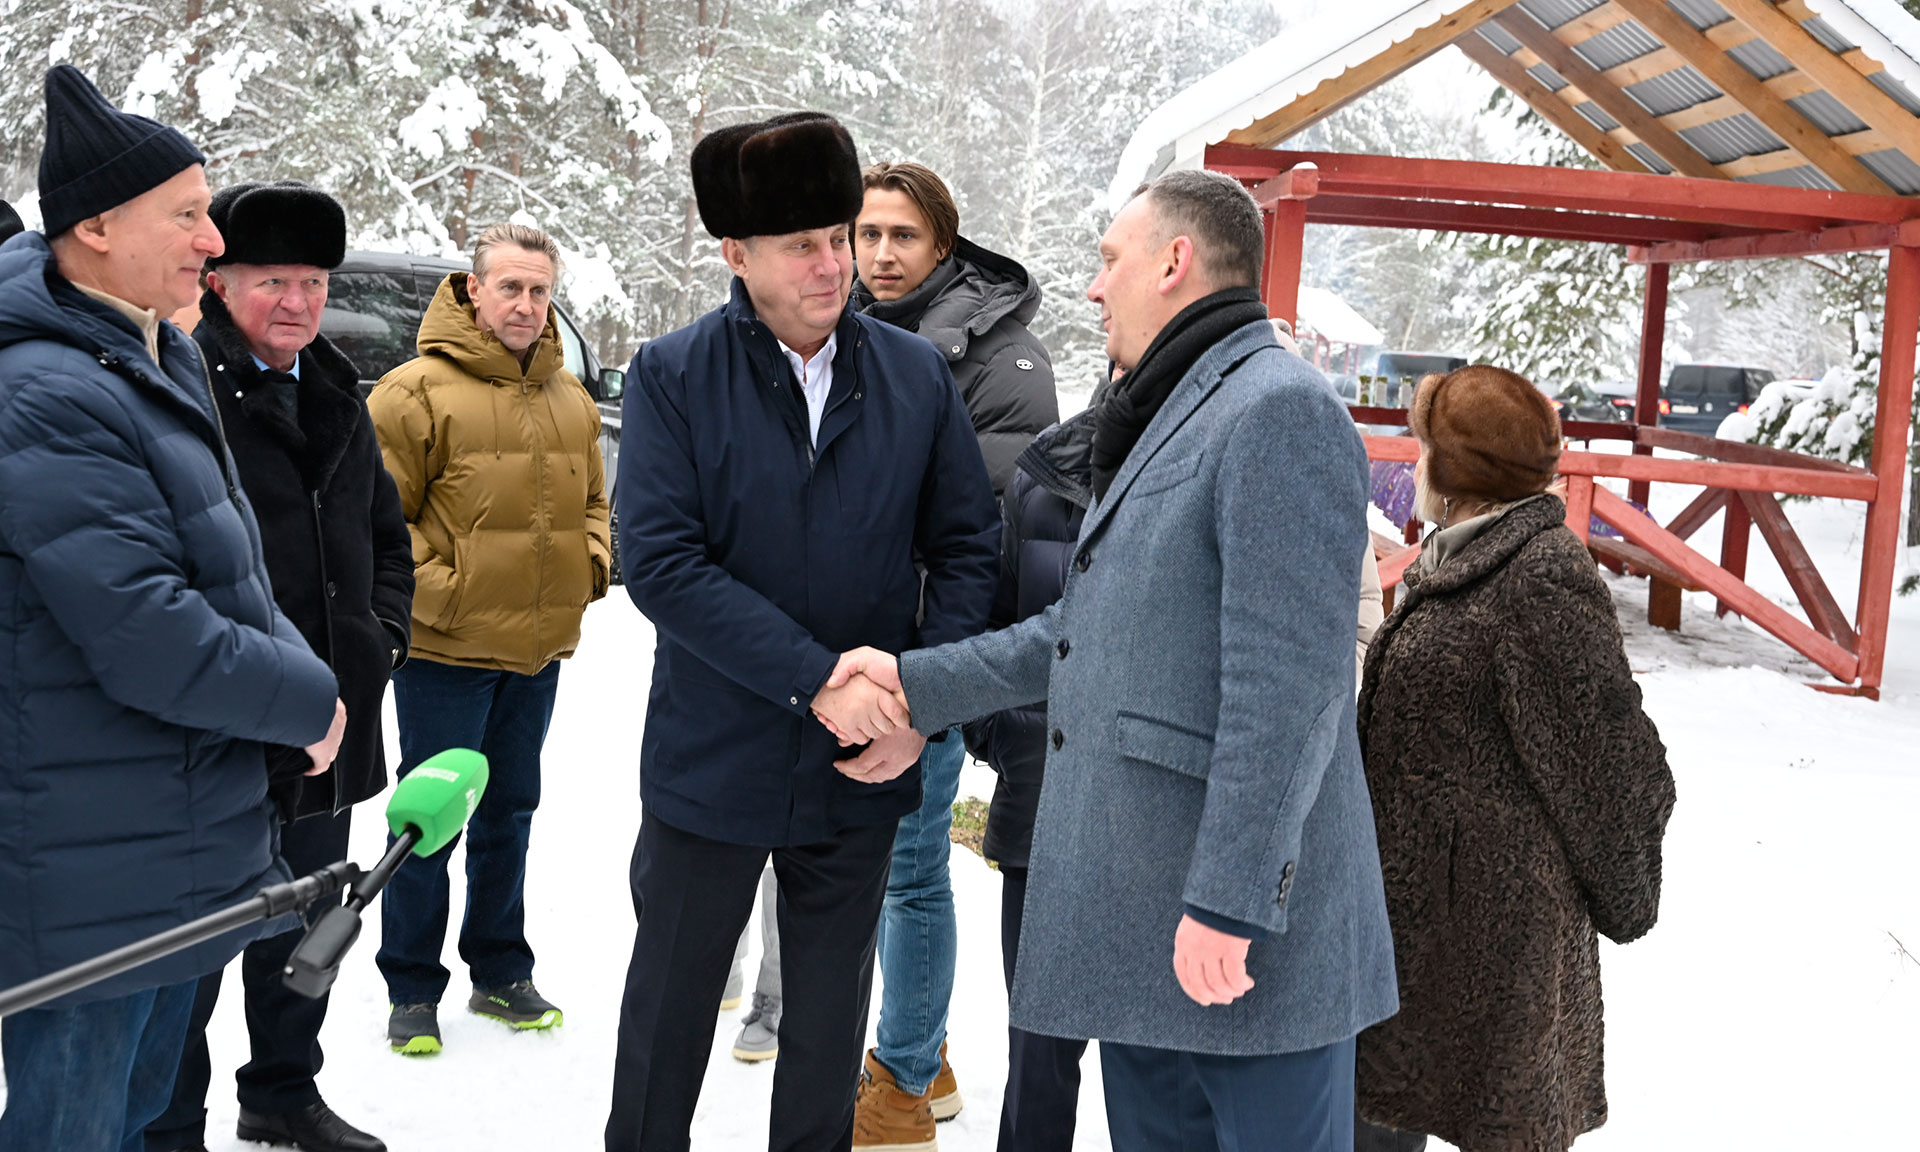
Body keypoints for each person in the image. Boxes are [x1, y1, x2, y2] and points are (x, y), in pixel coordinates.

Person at [819, 168, 1399, 1152]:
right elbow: (1087, 630)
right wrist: (915, 685)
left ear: (1174, 262)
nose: (1093, 288)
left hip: (1240, 946)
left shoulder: (1279, 411)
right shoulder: (1172, 408)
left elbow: (1291, 691)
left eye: (1108, 260)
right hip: (1150, 932)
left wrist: (1229, 901)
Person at [606, 111, 999, 1152]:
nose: (834, 266)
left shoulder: (914, 376)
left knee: (826, 1037)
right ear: (736, 254)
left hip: (861, 766)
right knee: (668, 1023)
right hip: (713, 756)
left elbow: (969, 547)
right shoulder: (674, 375)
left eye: (840, 237)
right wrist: (819, 676)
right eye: (802, 246)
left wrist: (921, 704)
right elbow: (663, 565)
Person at [0, 65, 344, 1152]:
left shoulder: (155, 353)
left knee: (140, 1114)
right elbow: (148, 630)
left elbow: (233, 572)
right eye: (187, 215)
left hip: (169, 838)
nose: (211, 239)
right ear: (96, 228)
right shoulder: (45, 389)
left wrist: (304, 679)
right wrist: (305, 701)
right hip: (87, 860)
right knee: (71, 1129)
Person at [724, 158, 1058, 1130]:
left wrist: (920, 676)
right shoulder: (832, 329)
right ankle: (921, 1052)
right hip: (815, 663)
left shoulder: (1003, 359)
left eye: (902, 235)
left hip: (916, 665)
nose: (878, 253)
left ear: (944, 244)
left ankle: (904, 1083)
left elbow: (980, 533)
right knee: (824, 866)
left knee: (910, 874)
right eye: (863, 233)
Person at [143, 182, 412, 1152]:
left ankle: (283, 1092)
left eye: (313, 282)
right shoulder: (184, 388)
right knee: (196, 946)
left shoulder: (338, 390)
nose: (298, 302)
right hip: (224, 730)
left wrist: (381, 639)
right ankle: (169, 1124)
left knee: (307, 925)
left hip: (330, 724)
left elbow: (387, 537)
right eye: (272, 282)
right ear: (219, 284)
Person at [1351, 366, 1677, 1152]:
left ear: (1459, 470)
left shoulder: (1540, 573)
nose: (1415, 465)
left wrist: (1618, 889)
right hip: (1430, 935)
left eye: (1426, 448)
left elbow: (1616, 763)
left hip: (1501, 951)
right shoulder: (1464, 553)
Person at [368, 221, 611, 1054]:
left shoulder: (570, 398)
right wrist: (449, 591)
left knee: (510, 813)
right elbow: (378, 525)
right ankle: (410, 985)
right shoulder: (412, 393)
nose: (526, 304)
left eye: (540, 291)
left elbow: (594, 504)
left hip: (535, 653)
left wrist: (588, 565)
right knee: (428, 821)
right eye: (510, 287)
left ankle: (501, 970)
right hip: (446, 654)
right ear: (473, 290)